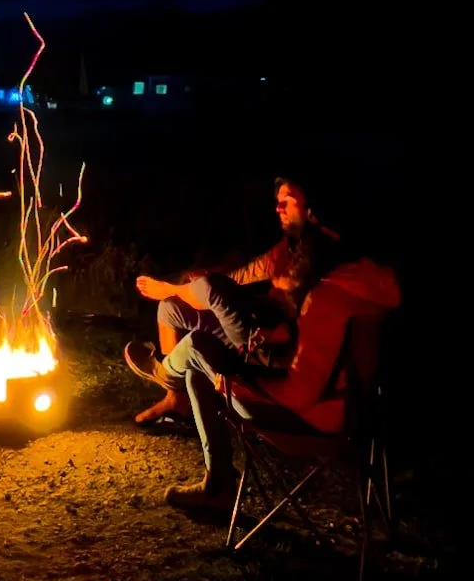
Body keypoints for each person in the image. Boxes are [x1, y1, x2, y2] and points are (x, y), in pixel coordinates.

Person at [128, 176, 400, 510]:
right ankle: (212, 471)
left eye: (290, 198)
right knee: (195, 337)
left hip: (313, 420)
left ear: (317, 217)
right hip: (341, 406)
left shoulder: (328, 296)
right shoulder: (355, 280)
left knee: (199, 349)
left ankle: (170, 384)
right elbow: (305, 343)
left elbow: (302, 392)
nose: (279, 206)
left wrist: (235, 383)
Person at [125, 176, 345, 425]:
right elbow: (244, 276)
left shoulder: (327, 254)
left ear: (311, 208)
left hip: (270, 346)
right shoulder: (289, 247)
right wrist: (202, 283)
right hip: (254, 328)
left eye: (288, 200)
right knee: (171, 308)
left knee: (203, 289)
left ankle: (165, 373)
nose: (278, 208)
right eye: (277, 201)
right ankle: (176, 399)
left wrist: (189, 287)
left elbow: (312, 319)